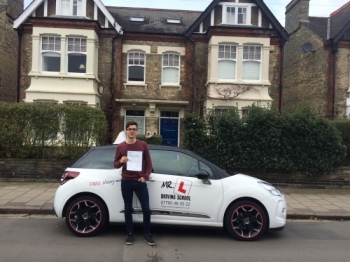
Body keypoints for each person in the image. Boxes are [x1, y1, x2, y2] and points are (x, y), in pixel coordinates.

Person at [114, 120, 155, 246]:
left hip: (140, 182)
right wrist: (121, 161)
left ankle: (147, 234)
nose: (132, 131)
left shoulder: (143, 145)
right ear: (126, 130)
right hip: (126, 182)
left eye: (134, 129)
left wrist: (145, 176)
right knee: (128, 209)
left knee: (146, 209)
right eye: (129, 129)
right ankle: (130, 234)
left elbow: (149, 164)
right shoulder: (121, 146)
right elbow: (115, 165)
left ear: (137, 131)